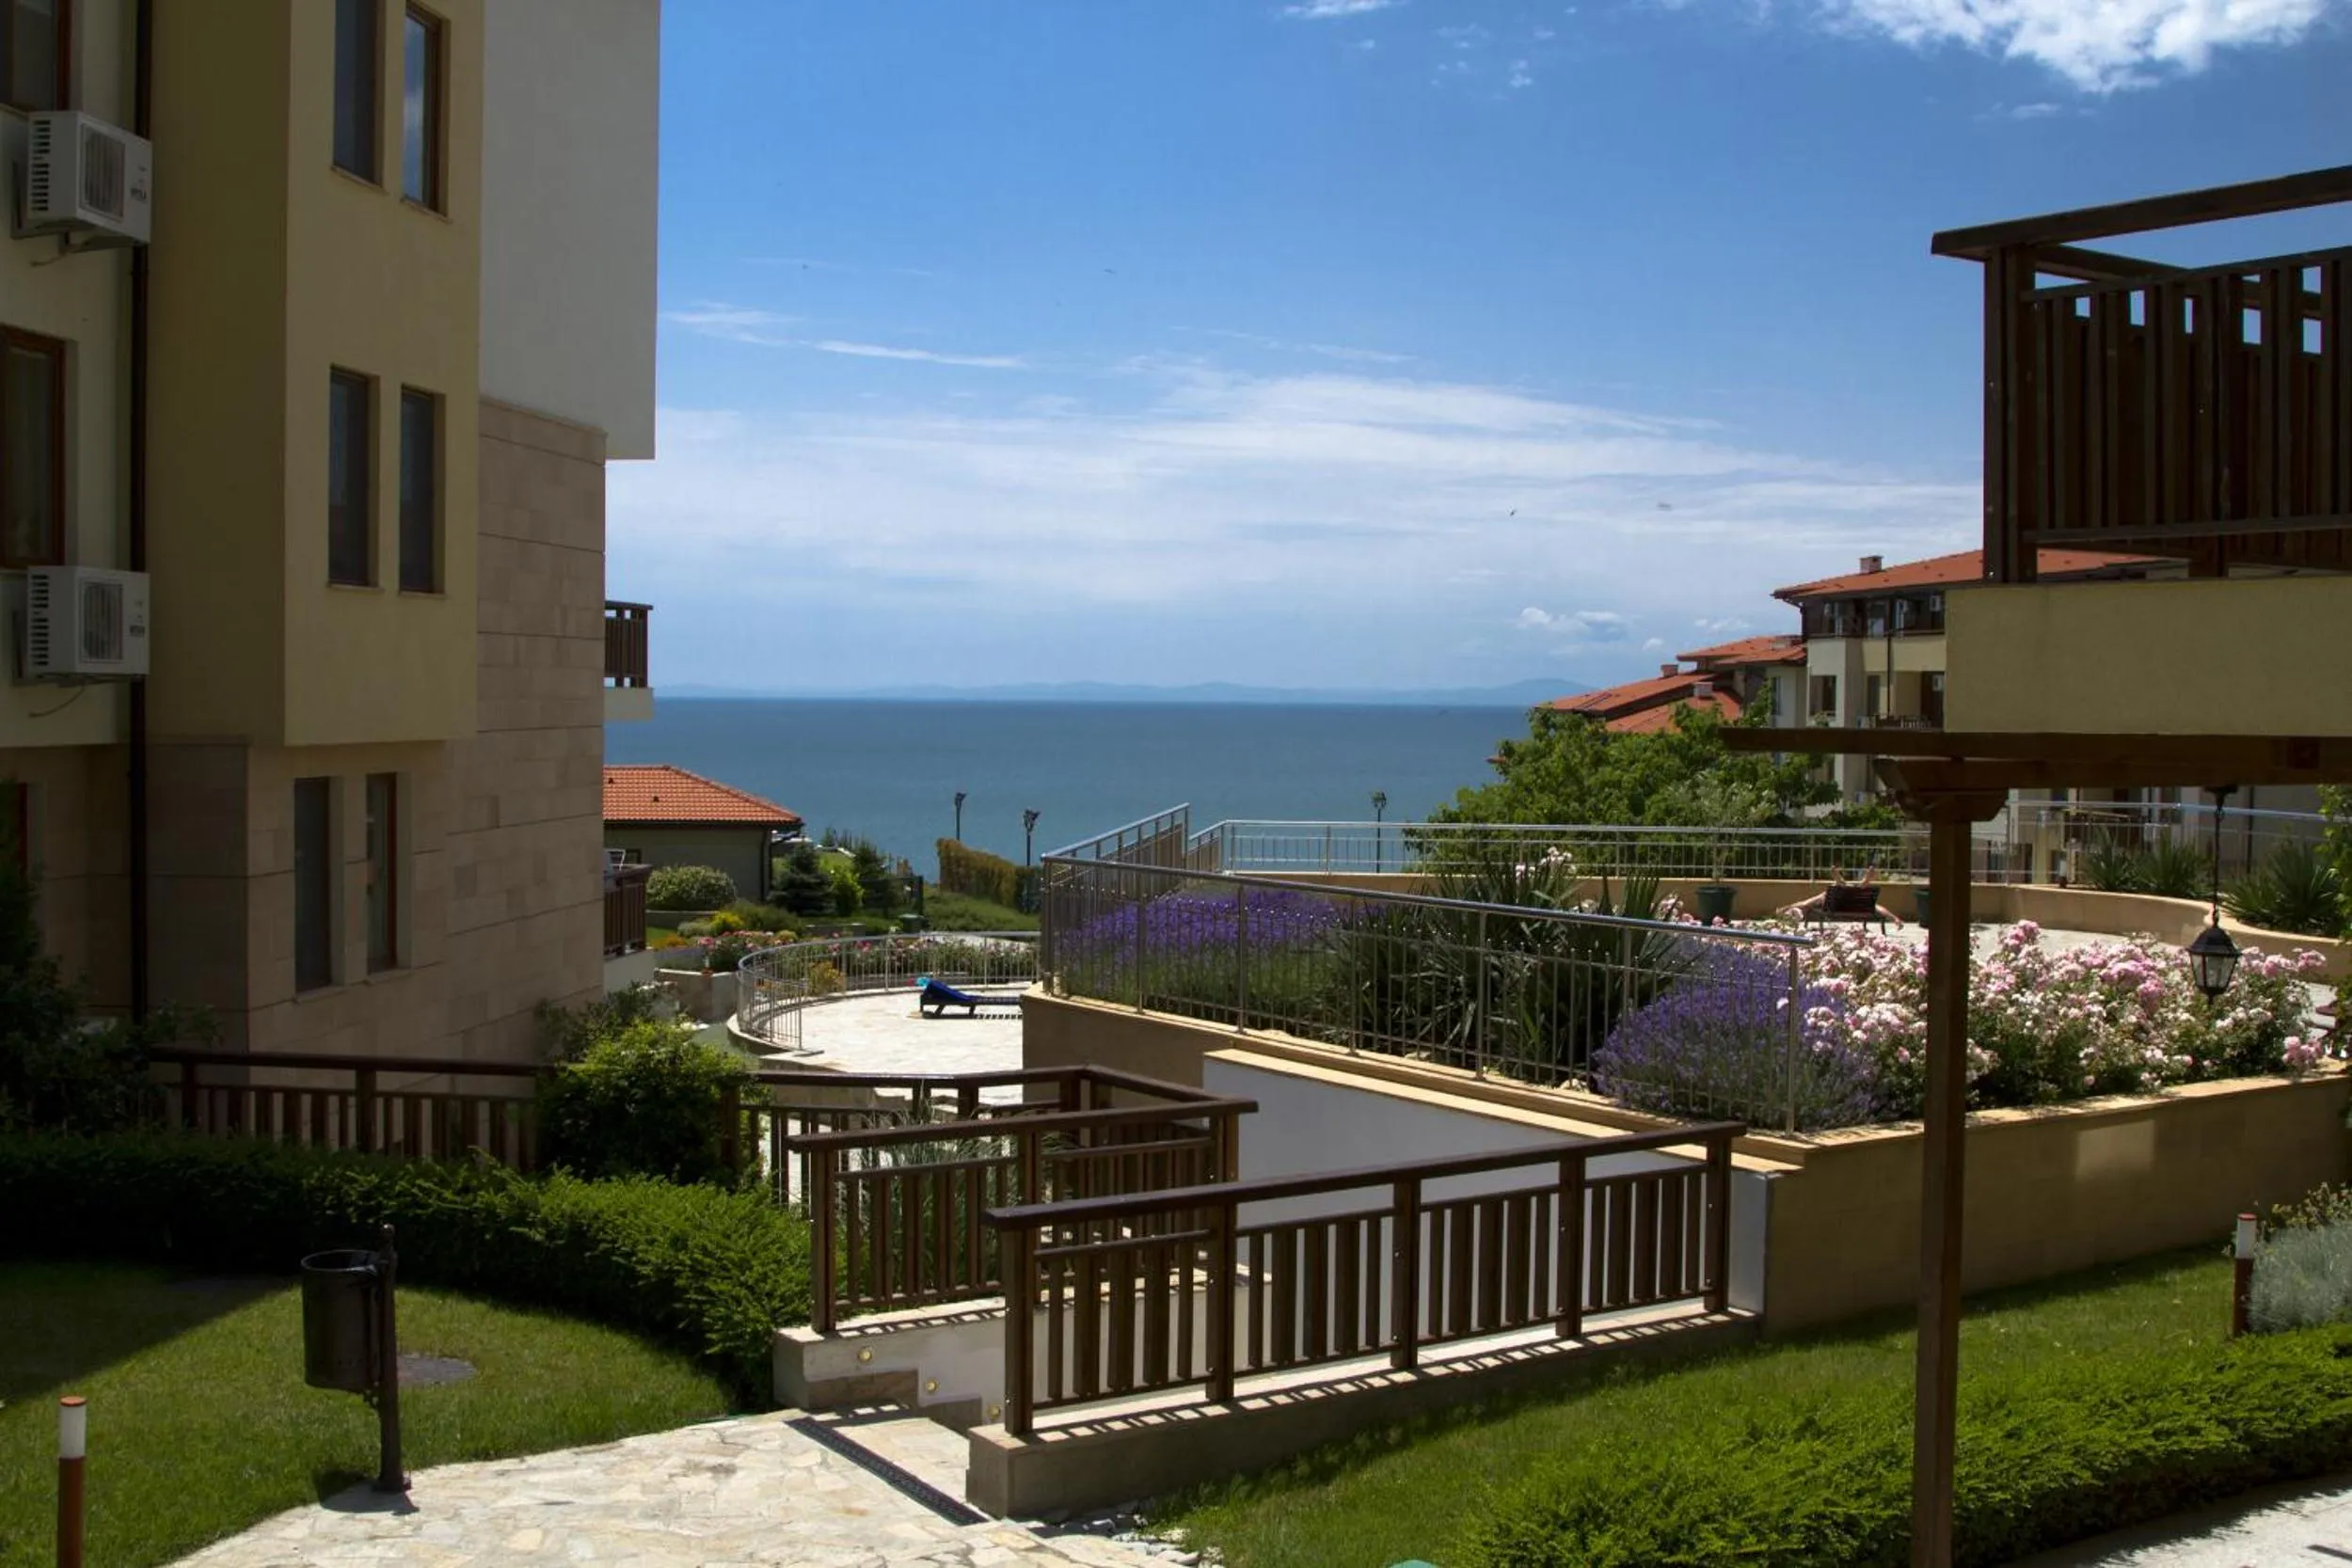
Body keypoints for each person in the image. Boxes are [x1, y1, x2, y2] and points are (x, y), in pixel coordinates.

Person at [1778, 864, 1904, 927]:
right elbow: (1877, 907)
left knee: (1826, 895)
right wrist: (1894, 918)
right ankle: (1856, 883)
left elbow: (1805, 904)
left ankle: (1840, 882)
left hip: (1834, 905)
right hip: (1856, 905)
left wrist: (1787, 908)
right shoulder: (1864, 900)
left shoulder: (1825, 897)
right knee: (1856, 892)